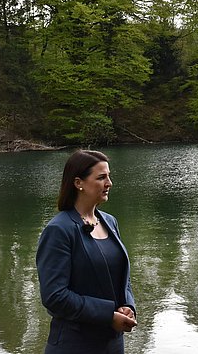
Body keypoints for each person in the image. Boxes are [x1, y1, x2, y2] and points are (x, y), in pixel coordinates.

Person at [36, 150, 137, 354]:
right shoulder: (59, 230)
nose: (109, 183)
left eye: (109, 176)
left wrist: (128, 305)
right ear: (78, 183)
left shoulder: (110, 221)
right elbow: (54, 296)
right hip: (74, 345)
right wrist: (108, 315)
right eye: (101, 177)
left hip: (113, 344)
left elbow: (122, 278)